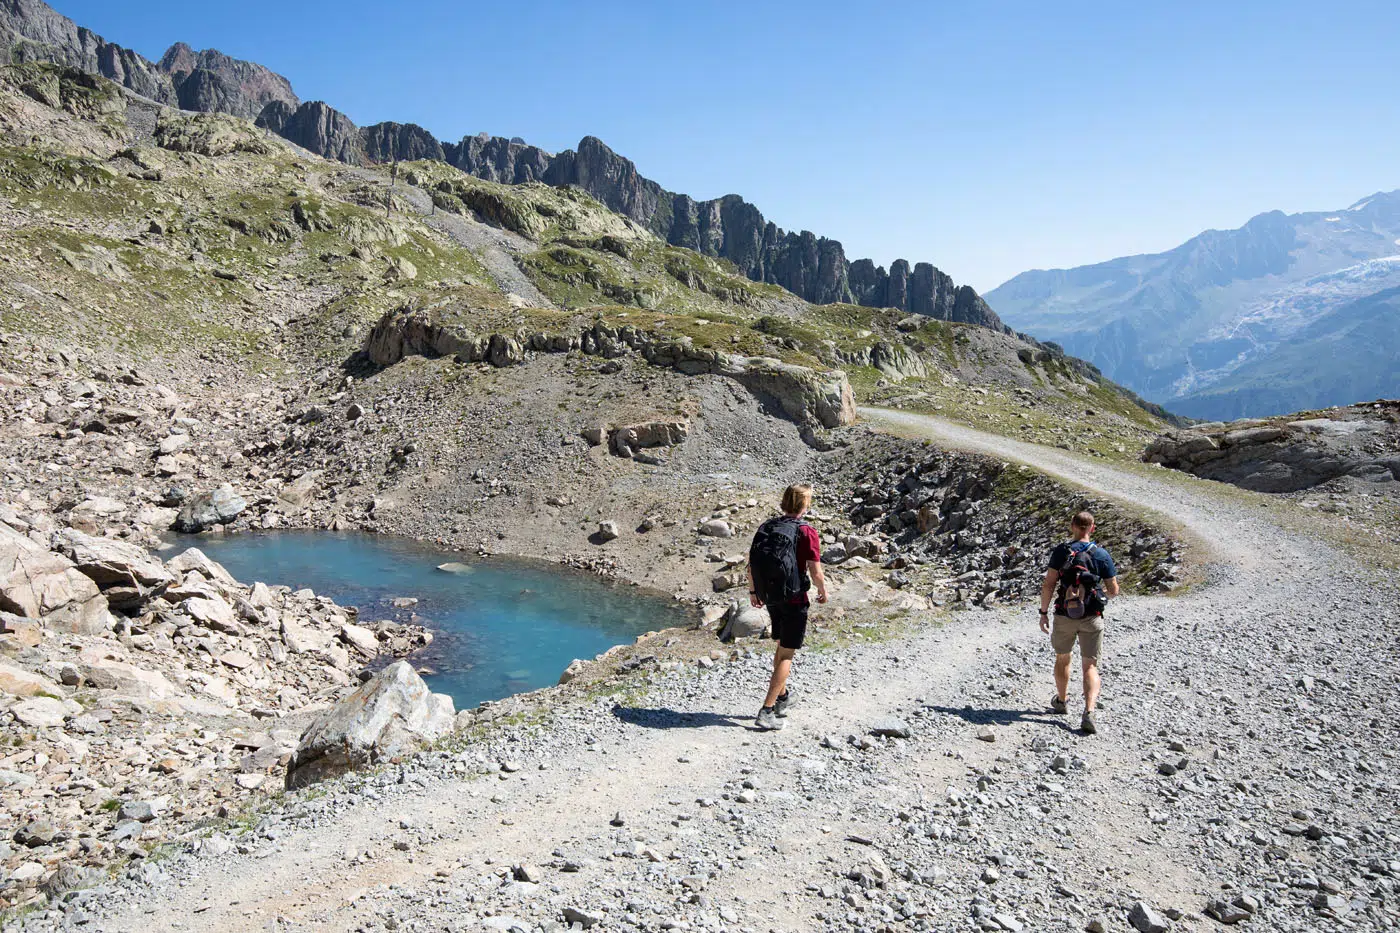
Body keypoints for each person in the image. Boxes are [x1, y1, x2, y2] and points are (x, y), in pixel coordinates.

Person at [746, 483, 828, 731]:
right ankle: (767, 710)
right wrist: (823, 591)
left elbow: (751, 564)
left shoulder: (767, 527)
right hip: (794, 597)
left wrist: (753, 591)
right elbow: (816, 571)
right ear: (805, 505)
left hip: (772, 597)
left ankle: (782, 699)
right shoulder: (807, 531)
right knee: (787, 654)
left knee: (781, 647)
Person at [1038, 510, 1119, 735]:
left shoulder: (1062, 552)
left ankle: (1062, 701)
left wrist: (1043, 612)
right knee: (1090, 665)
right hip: (1092, 616)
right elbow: (1113, 591)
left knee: (1063, 657)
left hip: (1064, 614)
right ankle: (1089, 711)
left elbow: (1048, 585)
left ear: (1072, 526)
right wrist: (1097, 592)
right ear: (1092, 528)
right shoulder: (1101, 554)